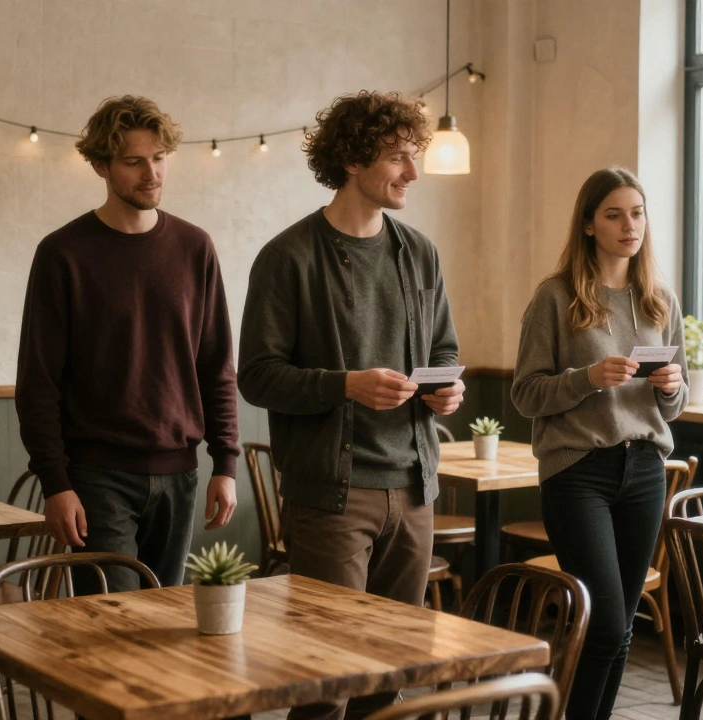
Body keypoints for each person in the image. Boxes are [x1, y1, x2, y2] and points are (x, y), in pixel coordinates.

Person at [237, 90, 463, 720]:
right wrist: (345, 384)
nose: (412, 174)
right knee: (325, 681)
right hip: (332, 495)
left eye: (413, 157)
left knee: (388, 679)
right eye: (397, 157)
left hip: (415, 486)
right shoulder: (288, 257)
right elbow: (257, 377)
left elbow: (443, 349)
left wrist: (449, 388)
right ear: (353, 161)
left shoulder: (419, 251)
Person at [16, 95, 239, 593]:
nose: (151, 173)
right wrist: (56, 482)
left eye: (158, 159)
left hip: (180, 474)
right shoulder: (63, 254)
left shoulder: (194, 247)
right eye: (134, 162)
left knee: (164, 627)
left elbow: (216, 364)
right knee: (111, 626)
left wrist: (225, 463)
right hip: (96, 476)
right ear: (100, 165)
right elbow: (38, 381)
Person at [511, 166, 685, 720]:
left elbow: (674, 405)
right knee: (605, 623)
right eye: (613, 214)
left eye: (636, 212)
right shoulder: (556, 296)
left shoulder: (659, 299)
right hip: (577, 471)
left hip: (645, 470)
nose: (628, 225)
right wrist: (587, 377)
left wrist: (673, 387)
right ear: (588, 225)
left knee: (621, 629)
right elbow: (524, 395)